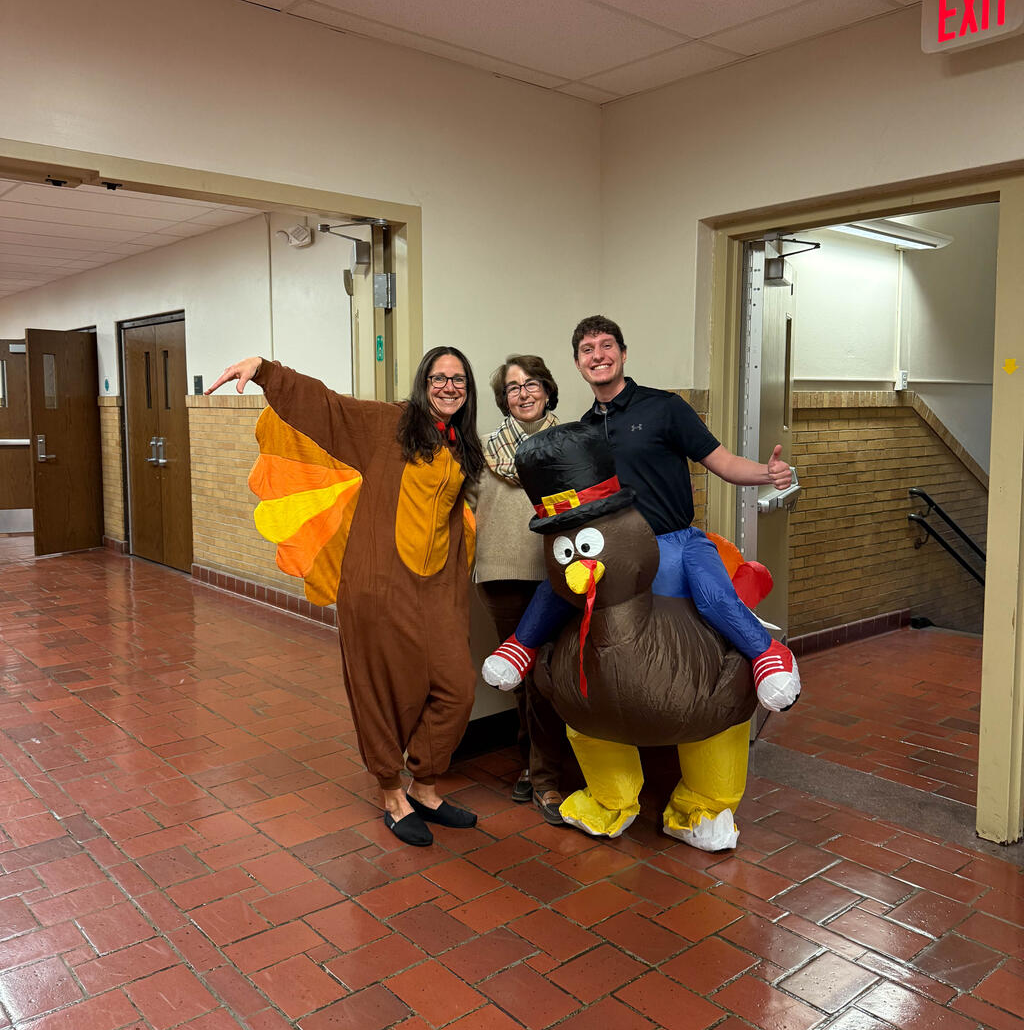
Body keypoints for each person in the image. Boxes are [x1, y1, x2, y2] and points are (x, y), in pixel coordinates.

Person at [206, 348, 483, 848]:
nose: (449, 386)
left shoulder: (462, 442)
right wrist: (266, 371)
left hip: (436, 590)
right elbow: (327, 407)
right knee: (380, 690)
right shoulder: (388, 424)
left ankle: (425, 786)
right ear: (423, 383)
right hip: (378, 585)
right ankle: (392, 793)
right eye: (438, 377)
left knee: (457, 688)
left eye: (458, 379)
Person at [484, 315, 801, 711]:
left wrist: (766, 474)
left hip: (673, 541)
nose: (598, 355)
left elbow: (722, 462)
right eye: (587, 350)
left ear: (623, 353)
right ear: (578, 363)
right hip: (614, 549)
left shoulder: (665, 408)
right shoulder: (584, 431)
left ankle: (767, 654)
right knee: (559, 585)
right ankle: (520, 647)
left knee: (713, 595)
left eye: (606, 345)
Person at [474, 355, 571, 825]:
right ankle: (537, 767)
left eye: (531, 384)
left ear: (548, 391)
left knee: (550, 674)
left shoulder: (570, 443)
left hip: (558, 576)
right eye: (513, 388)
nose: (523, 393)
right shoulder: (483, 449)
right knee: (522, 679)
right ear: (504, 399)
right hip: (501, 575)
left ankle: (544, 772)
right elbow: (463, 508)